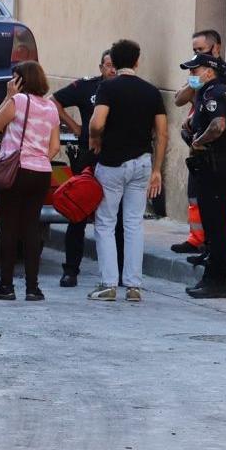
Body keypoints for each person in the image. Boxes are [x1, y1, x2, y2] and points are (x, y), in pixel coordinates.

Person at [87, 39, 168, 302]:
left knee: (106, 222)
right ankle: (134, 286)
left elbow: (97, 122)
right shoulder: (151, 91)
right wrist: (157, 169)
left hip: (112, 163)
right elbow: (162, 133)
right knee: (134, 223)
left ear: (115, 61)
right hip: (142, 162)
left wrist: (94, 136)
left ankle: (108, 283)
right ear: (136, 61)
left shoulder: (107, 87)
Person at [179, 53, 226, 298]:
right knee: (218, 223)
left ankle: (215, 280)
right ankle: (213, 276)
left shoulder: (212, 93)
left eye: (194, 71)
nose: (191, 76)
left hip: (211, 166)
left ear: (209, 72)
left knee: (214, 225)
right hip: (223, 164)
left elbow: (218, 125)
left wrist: (197, 143)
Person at [0, 61, 60, 302]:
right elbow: (55, 147)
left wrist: (8, 96)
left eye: (14, 78)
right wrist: (38, 159)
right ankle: (33, 288)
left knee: (8, 227)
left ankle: (6, 285)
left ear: (21, 81)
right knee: (31, 228)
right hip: (41, 172)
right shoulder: (51, 108)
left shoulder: (18, 101)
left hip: (16, 170)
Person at [49, 50, 123, 287]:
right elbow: (54, 101)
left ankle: (120, 271)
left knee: (118, 217)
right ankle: (71, 270)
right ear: (101, 67)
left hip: (116, 158)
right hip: (88, 159)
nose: (112, 70)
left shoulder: (128, 90)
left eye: (116, 66)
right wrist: (73, 125)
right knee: (78, 213)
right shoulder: (87, 87)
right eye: (108, 65)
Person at [171, 30, 226, 259]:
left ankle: (221, 245)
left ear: (216, 49)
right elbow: (179, 99)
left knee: (219, 202)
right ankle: (199, 239)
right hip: (199, 146)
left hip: (217, 149)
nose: (196, 55)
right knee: (196, 195)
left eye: (200, 50)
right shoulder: (197, 73)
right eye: (194, 50)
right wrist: (195, 82)